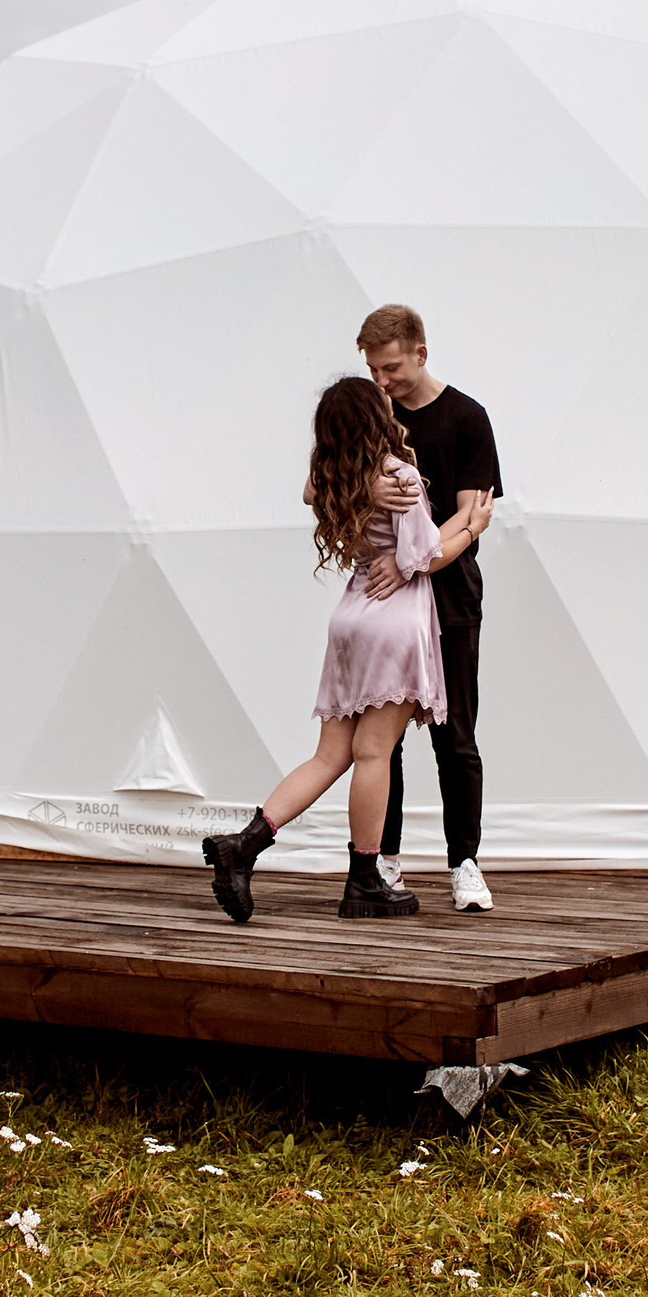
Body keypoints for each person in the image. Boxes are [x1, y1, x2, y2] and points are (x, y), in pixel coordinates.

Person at [200, 376, 454, 923]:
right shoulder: (400, 476)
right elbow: (427, 553)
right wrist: (471, 524)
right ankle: (364, 879)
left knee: (329, 755)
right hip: (394, 618)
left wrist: (360, 486)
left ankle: (243, 846)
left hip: (350, 617)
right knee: (374, 754)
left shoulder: (333, 478)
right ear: (376, 416)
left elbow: (311, 492)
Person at [350, 304, 501, 910]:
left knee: (455, 736)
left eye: (391, 369)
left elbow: (473, 517)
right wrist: (365, 489)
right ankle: (384, 862)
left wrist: (410, 559)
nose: (383, 382)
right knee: (382, 742)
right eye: (373, 370)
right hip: (388, 606)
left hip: (451, 600)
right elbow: (318, 486)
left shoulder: (467, 419)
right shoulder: (372, 418)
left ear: (421, 353)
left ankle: (464, 863)